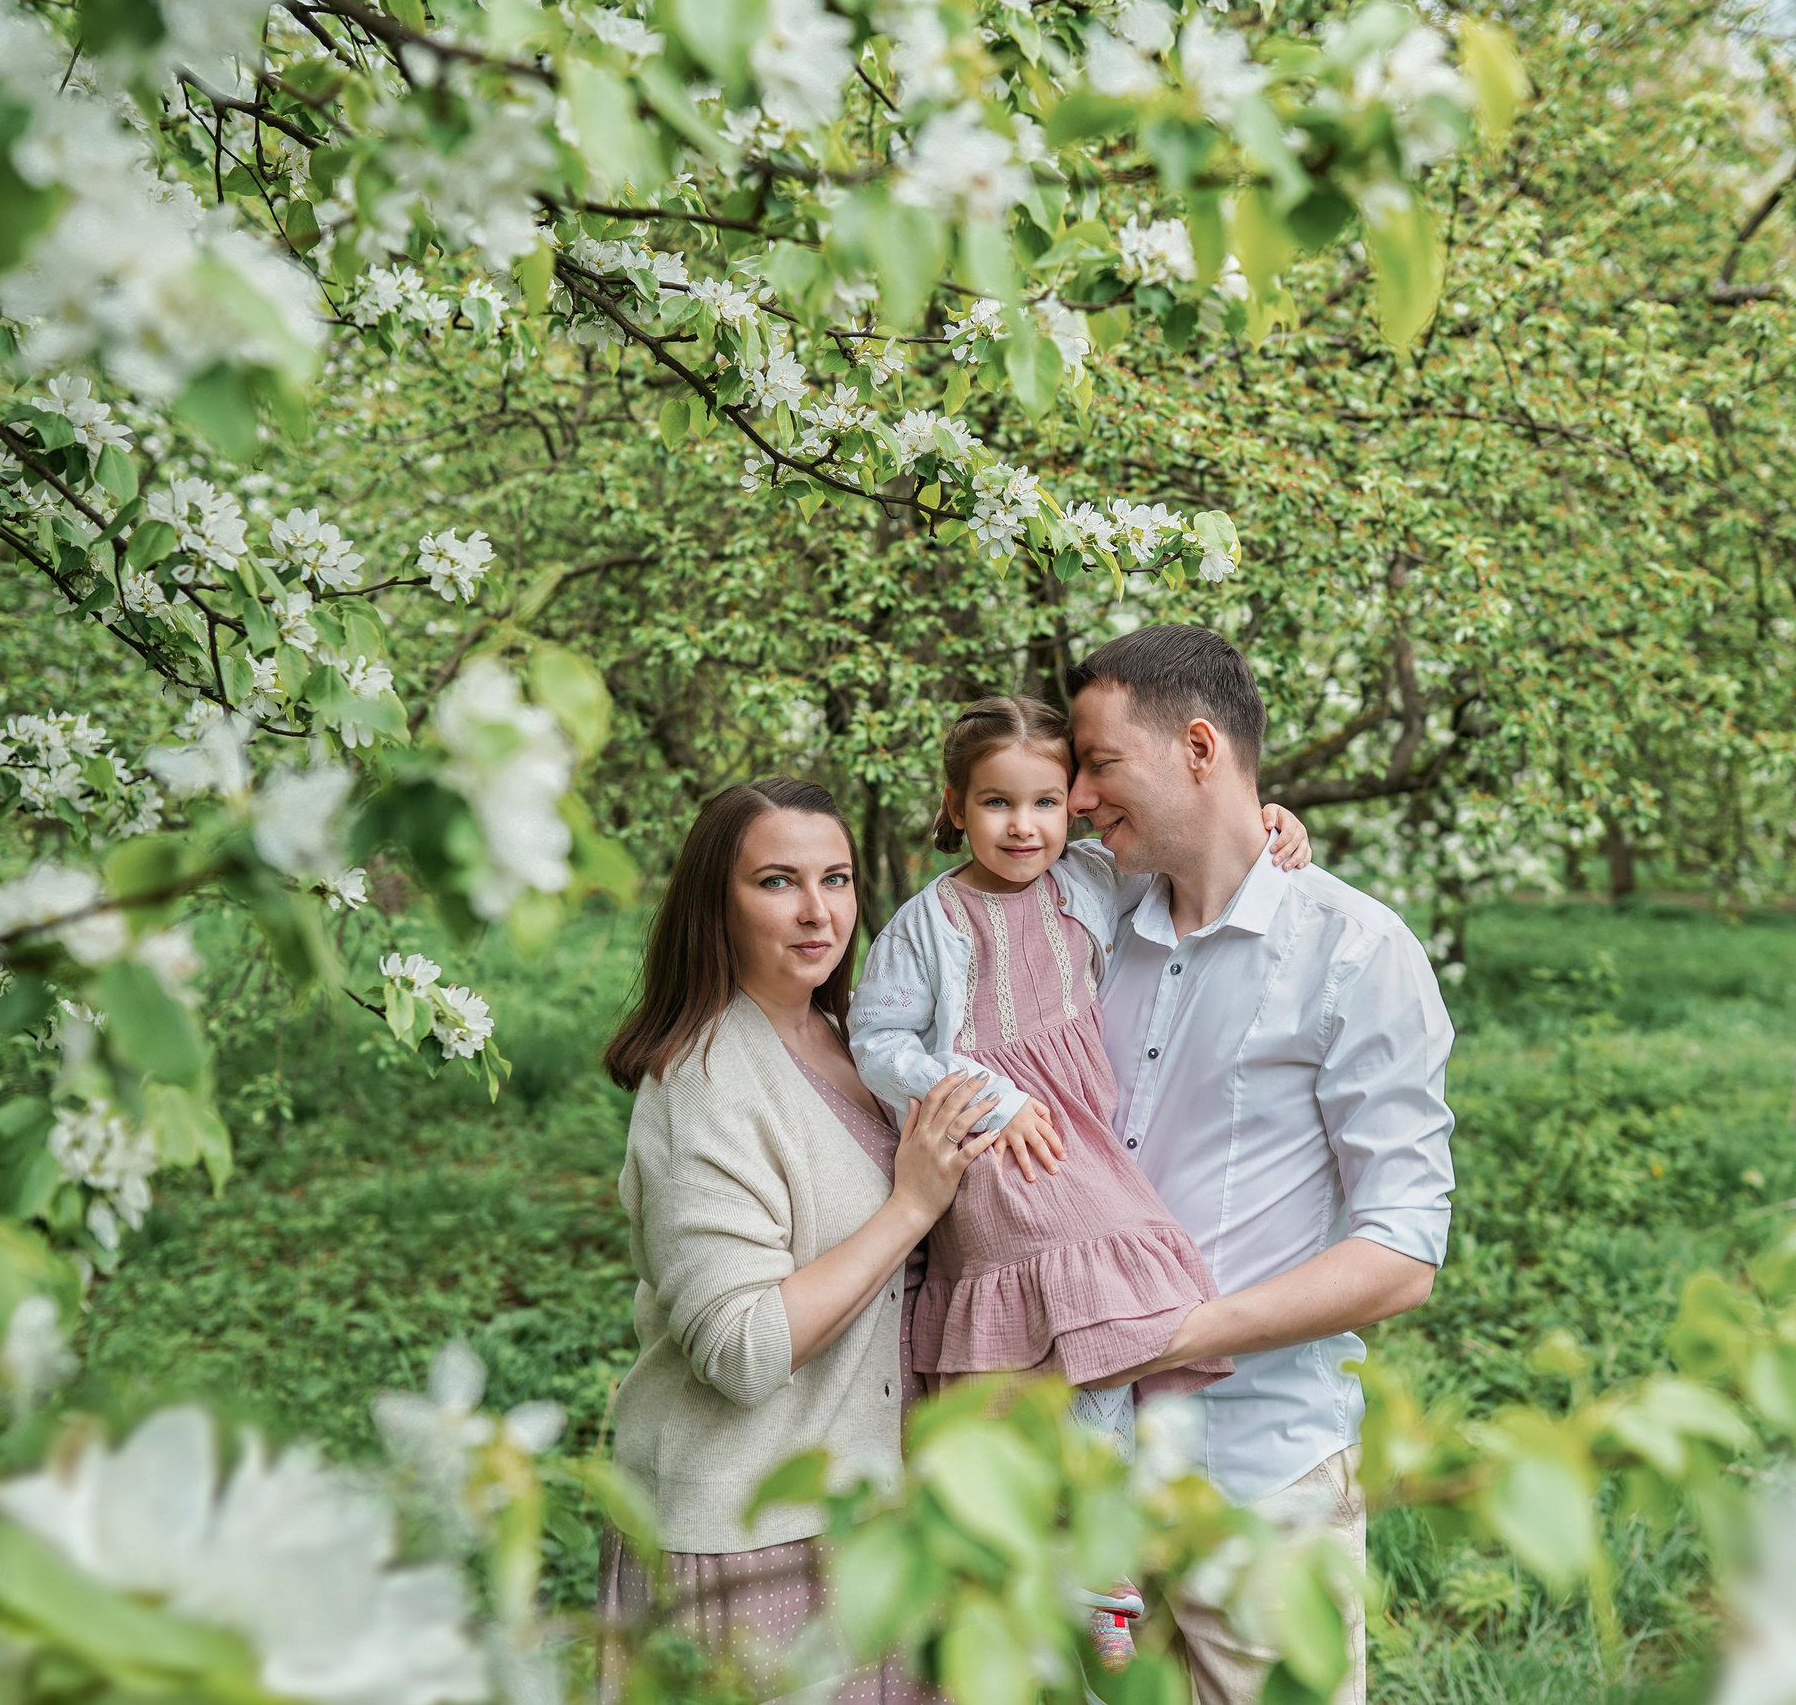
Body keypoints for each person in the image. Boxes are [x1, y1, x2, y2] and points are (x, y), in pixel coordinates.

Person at [848, 695, 1313, 1670]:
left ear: (1072, 807)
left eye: (1046, 803)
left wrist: (1270, 823)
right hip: (1006, 1160)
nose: (1023, 827)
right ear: (954, 807)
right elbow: (879, 1039)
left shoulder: (1089, 884)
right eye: (996, 804)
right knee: (1088, 1322)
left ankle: (1105, 1548)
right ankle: (1070, 1560)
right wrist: (985, 1094)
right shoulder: (930, 924)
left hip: (1086, 1144)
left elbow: (1195, 857)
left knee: (1105, 1337)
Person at [1067, 625, 1459, 1705]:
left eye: (1100, 765)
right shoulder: (1077, 929)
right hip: (1079, 1479)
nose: (1079, 798)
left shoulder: (1354, 952)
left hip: (1261, 1477)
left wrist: (1163, 1341)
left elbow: (1401, 1254)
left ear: (1198, 746)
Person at [598, 777, 1011, 1701]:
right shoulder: (703, 1079)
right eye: (778, 882)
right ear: (718, 902)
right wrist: (909, 1206)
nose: (818, 911)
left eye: (838, 878)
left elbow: (1052, 884)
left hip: (877, 1521)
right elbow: (742, 1350)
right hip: (754, 1542)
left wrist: (1260, 832)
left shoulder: (853, 1035)